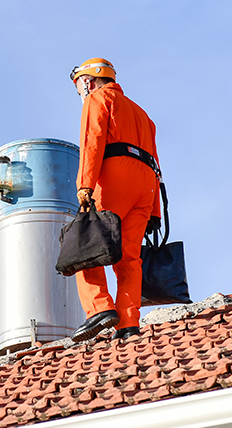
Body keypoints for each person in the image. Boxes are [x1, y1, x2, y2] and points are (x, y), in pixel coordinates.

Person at [68, 58, 162, 342]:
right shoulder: (142, 114)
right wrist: (155, 211)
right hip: (145, 185)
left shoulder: (98, 98)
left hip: (115, 175)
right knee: (130, 258)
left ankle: (99, 308)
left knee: (85, 240)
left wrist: (84, 186)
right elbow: (156, 162)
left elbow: (92, 140)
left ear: (87, 81)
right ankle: (128, 322)